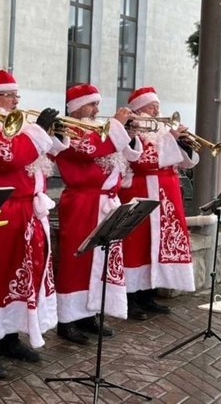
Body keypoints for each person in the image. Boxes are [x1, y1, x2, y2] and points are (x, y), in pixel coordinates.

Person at [0, 70, 66, 379]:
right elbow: (10, 156)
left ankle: (11, 338)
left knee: (24, 276)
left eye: (16, 96)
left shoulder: (18, 124)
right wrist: (38, 131)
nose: (15, 101)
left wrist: (53, 134)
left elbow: (46, 154)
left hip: (27, 210)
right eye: (9, 96)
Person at [54, 83, 141, 345]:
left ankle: (90, 313)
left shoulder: (99, 130)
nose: (97, 109)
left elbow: (130, 156)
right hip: (82, 203)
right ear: (76, 107)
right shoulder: (66, 127)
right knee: (76, 262)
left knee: (99, 262)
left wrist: (130, 133)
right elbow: (87, 150)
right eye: (92, 104)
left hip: (105, 203)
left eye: (97, 103)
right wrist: (116, 125)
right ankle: (67, 319)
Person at [118, 86, 198, 319]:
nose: (156, 109)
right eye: (151, 105)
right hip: (141, 192)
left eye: (157, 105)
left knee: (158, 244)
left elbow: (187, 163)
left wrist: (183, 143)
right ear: (138, 108)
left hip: (166, 196)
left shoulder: (162, 129)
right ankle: (130, 298)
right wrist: (171, 140)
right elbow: (144, 160)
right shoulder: (131, 129)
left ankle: (148, 295)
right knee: (136, 245)